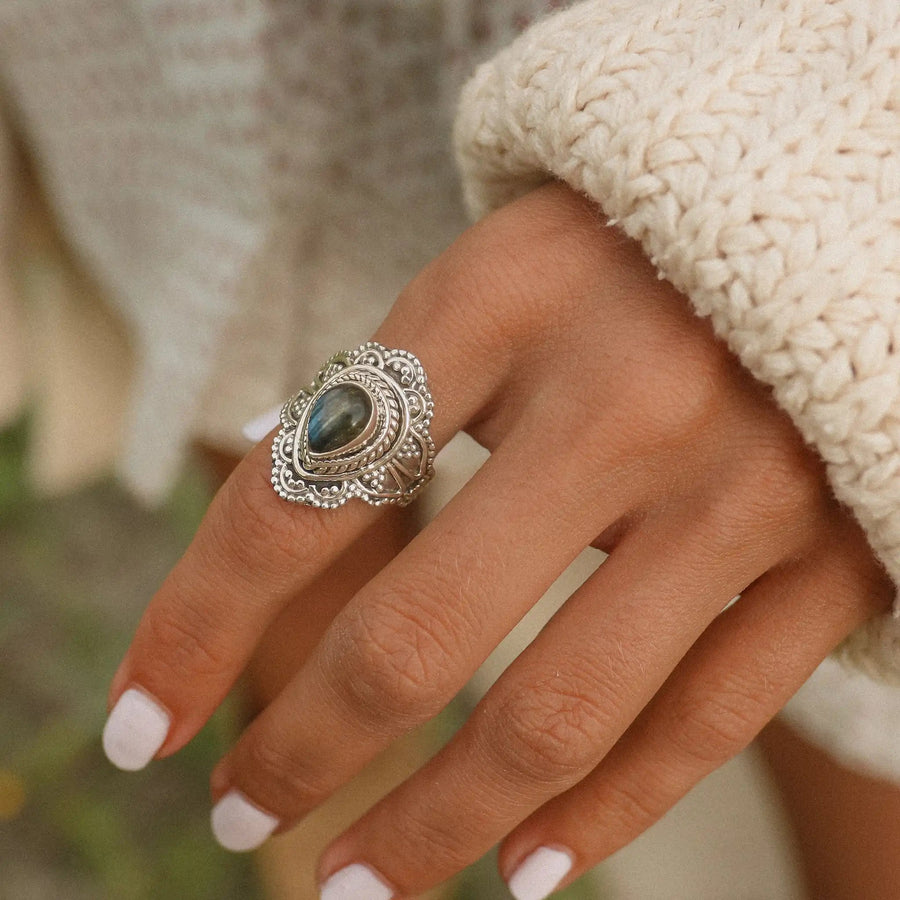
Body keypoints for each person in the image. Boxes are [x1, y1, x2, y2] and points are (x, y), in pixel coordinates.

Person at [2, 1, 898, 898]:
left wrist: (840, 176)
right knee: (296, 602)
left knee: (823, 749)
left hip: (742, 177)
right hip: (170, 90)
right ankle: (314, 810)